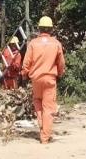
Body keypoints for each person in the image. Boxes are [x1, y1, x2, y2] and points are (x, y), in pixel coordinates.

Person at [21, 16, 65, 144]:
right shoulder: (56, 43)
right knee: (49, 108)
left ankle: (42, 129)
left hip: (36, 79)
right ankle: (45, 137)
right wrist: (60, 74)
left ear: (39, 29)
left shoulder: (33, 43)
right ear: (51, 29)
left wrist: (24, 75)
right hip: (49, 80)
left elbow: (27, 62)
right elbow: (61, 63)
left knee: (38, 104)